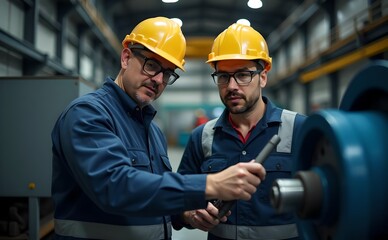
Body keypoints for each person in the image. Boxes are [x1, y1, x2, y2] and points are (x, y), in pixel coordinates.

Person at [51, 17, 267, 240]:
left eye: (167, 73)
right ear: (126, 57)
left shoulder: (152, 132)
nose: (158, 79)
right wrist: (211, 184)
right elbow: (115, 188)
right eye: (152, 65)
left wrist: (185, 214)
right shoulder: (88, 114)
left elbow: (155, 198)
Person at [172, 23, 306, 240]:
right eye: (223, 76)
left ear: (263, 77)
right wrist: (189, 214)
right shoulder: (202, 137)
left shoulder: (299, 129)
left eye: (243, 75)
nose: (232, 86)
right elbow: (176, 201)